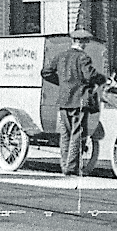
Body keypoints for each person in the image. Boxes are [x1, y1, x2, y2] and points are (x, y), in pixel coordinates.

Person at [41, 32, 105, 175]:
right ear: (82, 42)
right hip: (79, 101)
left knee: (65, 134)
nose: (85, 45)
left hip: (63, 101)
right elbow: (90, 76)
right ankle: (72, 168)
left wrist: (62, 83)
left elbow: (46, 72)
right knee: (77, 134)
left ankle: (65, 166)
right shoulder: (83, 57)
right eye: (85, 42)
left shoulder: (61, 56)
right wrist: (102, 79)